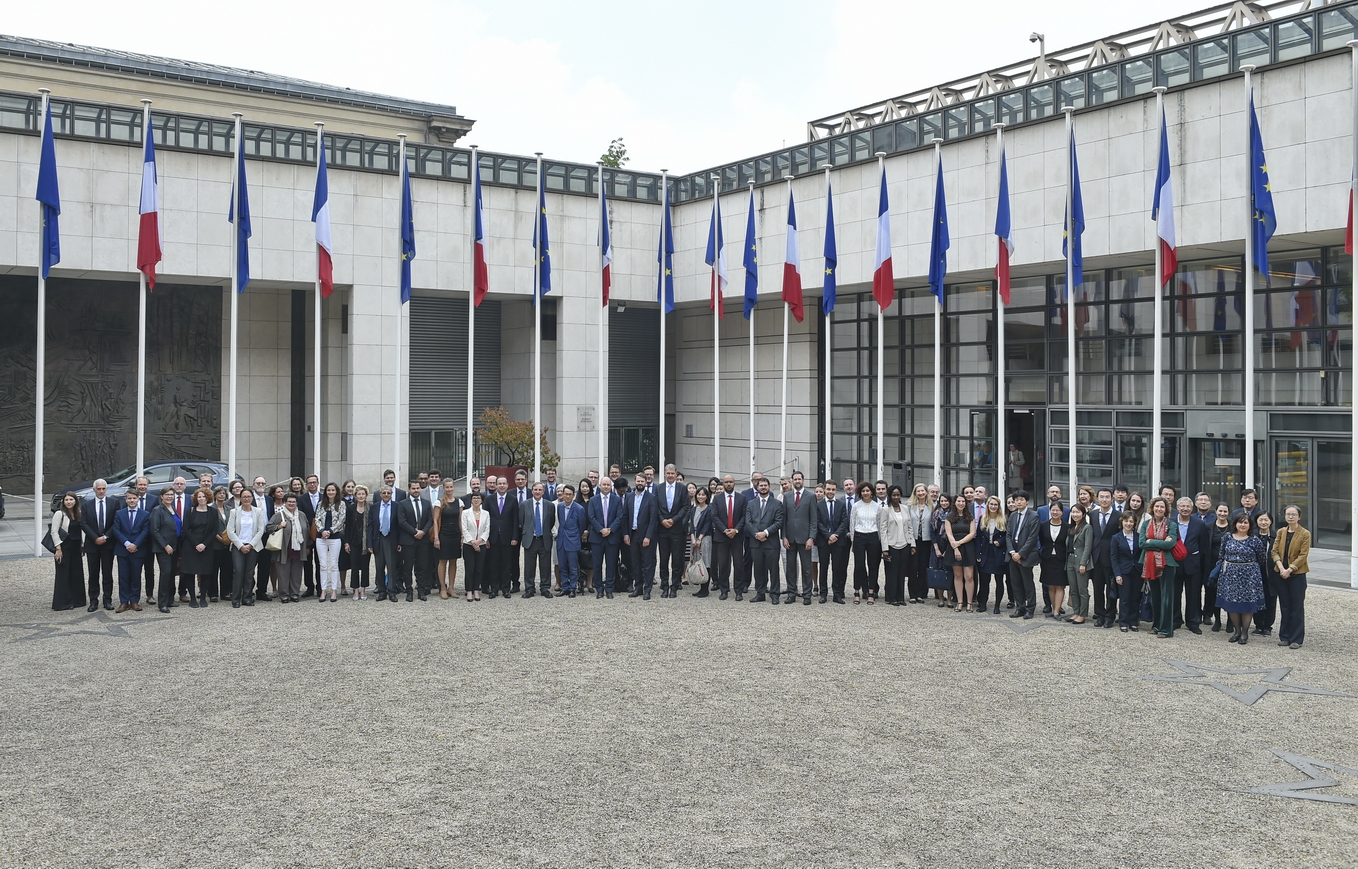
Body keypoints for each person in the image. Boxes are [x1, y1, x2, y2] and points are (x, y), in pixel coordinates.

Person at [1215, 510, 1269, 645]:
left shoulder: (1255, 540)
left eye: (1246, 522)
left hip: (1249, 577)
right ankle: (1237, 631)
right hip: (1230, 577)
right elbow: (1221, 555)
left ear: (1250, 525)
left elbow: (1262, 558)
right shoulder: (1227, 537)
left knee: (1247, 605)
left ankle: (1245, 632)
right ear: (1235, 524)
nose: (1243, 525)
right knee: (1232, 605)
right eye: (1240, 522)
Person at [1139, 497, 1180, 638]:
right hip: (1150, 563)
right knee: (1155, 596)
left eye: (1162, 507)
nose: (1159, 509)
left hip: (1167, 564)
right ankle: (1156, 626)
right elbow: (1142, 544)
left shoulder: (1172, 524)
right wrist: (1161, 542)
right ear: (1152, 508)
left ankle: (1166, 630)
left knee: (1166, 597)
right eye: (1157, 506)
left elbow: (1171, 544)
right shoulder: (1145, 524)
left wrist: (1152, 541)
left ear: (1166, 509)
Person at [1272, 505, 1310, 650]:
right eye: (1288, 514)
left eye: (1294, 514)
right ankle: (1285, 636)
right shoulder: (1281, 532)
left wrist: (1290, 569)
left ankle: (1296, 639)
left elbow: (1303, 555)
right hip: (1281, 573)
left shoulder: (1305, 533)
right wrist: (1281, 568)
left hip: (1297, 575)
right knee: (1285, 606)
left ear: (1299, 517)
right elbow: (1274, 551)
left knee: (1297, 607)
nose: (1290, 517)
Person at [1172, 497, 1210, 635]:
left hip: (1193, 564)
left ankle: (1193, 622)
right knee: (1175, 594)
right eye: (1182, 506)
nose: (1185, 509)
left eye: (1188, 507)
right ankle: (1176, 620)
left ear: (1192, 508)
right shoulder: (1171, 522)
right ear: (1177, 507)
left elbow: (1203, 545)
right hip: (1174, 564)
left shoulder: (1199, 524)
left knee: (1193, 594)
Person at [745, 475, 785, 604]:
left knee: (773, 569)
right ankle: (760, 593)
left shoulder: (777, 503)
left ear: (769, 487)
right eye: (761, 485)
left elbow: (779, 522)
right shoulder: (751, 503)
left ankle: (774, 594)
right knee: (758, 569)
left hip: (771, 542)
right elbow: (748, 521)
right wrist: (757, 534)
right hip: (756, 542)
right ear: (757, 487)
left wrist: (766, 533)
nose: (763, 487)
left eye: (765, 485)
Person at [780, 470, 818, 605]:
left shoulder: (810, 496)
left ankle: (807, 595)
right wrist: (783, 536)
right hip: (790, 538)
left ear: (803, 480)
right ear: (792, 481)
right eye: (795, 479)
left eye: (799, 479)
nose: (797, 481)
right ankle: (792, 593)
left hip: (805, 538)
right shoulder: (787, 496)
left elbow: (814, 519)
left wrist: (811, 537)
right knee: (791, 568)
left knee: (807, 568)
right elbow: (784, 519)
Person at [654, 464, 691, 599]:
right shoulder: (659, 488)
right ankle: (664, 585)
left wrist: (674, 520)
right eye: (668, 473)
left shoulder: (682, 488)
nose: (670, 475)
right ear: (664, 474)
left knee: (677, 558)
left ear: (676, 474)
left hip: (676, 529)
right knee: (663, 559)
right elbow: (655, 506)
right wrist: (662, 520)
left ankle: (675, 585)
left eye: (672, 473)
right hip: (662, 529)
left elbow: (686, 506)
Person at [179, 487, 220, 608]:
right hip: (191, 546)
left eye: (204, 497)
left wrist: (204, 544)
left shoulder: (213, 511)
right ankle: (192, 598)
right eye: (199, 497)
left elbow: (214, 530)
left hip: (207, 546)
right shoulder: (190, 511)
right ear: (196, 498)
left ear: (208, 498)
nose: (202, 499)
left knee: (206, 572)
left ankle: (203, 598)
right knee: (190, 573)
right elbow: (186, 529)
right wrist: (196, 544)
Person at [81, 479, 117, 612]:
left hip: (108, 544)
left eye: (103, 489)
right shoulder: (86, 505)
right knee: (93, 573)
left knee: (107, 573)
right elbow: (84, 523)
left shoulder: (114, 503)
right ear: (94, 490)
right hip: (92, 544)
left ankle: (107, 599)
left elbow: (115, 522)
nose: (101, 491)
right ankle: (93, 600)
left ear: (106, 489)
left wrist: (106, 537)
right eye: (98, 489)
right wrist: (95, 538)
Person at [517, 481, 557, 599]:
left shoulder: (549, 505)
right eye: (535, 490)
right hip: (531, 539)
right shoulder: (525, 504)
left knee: (545, 565)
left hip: (544, 538)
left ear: (543, 492)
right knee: (529, 566)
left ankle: (545, 587)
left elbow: (551, 522)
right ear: (532, 491)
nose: (537, 492)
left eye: (540, 490)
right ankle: (529, 588)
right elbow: (522, 521)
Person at [227, 488, 265, 607]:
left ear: (252, 498)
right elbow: (230, 531)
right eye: (244, 497)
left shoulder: (258, 512)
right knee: (238, 571)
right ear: (241, 498)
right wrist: (240, 545)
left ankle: (247, 598)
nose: (246, 499)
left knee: (249, 572)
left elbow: (260, 530)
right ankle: (236, 598)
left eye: (248, 496)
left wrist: (251, 545)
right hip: (238, 546)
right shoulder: (234, 512)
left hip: (253, 546)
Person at [266, 494, 308, 603]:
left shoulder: (302, 515)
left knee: (296, 574)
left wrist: (307, 546)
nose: (291, 504)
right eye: (289, 501)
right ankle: (284, 594)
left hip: (298, 549)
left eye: (293, 502)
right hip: (283, 549)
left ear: (297, 503)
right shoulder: (279, 515)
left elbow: (306, 530)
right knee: (283, 574)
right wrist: (279, 526)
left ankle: (294, 593)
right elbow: (269, 528)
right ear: (285, 502)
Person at [709, 475, 746, 601]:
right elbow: (714, 516)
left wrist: (735, 530)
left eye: (731, 482)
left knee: (739, 565)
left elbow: (744, 516)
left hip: (737, 536)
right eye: (726, 482)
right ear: (723, 484)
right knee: (723, 565)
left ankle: (738, 591)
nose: (728, 484)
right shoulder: (717, 499)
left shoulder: (741, 498)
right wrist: (725, 530)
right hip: (722, 536)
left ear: (734, 484)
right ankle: (724, 590)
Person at [398, 480, 435, 601]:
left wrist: (423, 532)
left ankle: (421, 590)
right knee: (408, 567)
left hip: (423, 540)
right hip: (408, 540)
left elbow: (430, 519)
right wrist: (415, 532)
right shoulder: (403, 504)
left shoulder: (426, 503)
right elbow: (402, 522)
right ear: (409, 490)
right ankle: (409, 591)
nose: (416, 491)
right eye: (413, 489)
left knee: (422, 566)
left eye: (418, 488)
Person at [1086, 489, 1119, 628]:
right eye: (1102, 497)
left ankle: (1110, 616)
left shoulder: (1118, 516)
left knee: (1111, 589)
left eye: (1107, 497)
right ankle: (1099, 615)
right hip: (1096, 557)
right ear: (1097, 499)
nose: (1104, 500)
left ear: (1112, 499)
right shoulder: (1092, 515)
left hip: (1111, 557)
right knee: (1097, 588)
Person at [1006, 489, 1040, 620]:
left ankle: (1030, 608)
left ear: (1027, 501)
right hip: (1012, 555)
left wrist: (1020, 554)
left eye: (1021, 499)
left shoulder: (1034, 516)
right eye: (1016, 500)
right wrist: (1012, 552)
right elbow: (1008, 535)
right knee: (1015, 583)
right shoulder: (1013, 515)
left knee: (1027, 583)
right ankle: (1019, 607)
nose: (1018, 502)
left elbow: (1032, 538)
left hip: (1026, 555)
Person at [587, 476, 624, 599]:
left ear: (611, 486)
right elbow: (591, 517)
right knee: (597, 564)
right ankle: (599, 589)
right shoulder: (593, 500)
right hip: (597, 538)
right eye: (604, 485)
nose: (606, 487)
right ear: (600, 486)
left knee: (611, 564)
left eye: (608, 485)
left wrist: (610, 529)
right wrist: (601, 529)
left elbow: (619, 517)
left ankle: (609, 588)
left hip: (612, 537)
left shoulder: (617, 500)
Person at [623, 474, 659, 599]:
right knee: (635, 563)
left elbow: (653, 519)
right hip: (633, 534)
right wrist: (626, 534)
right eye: (638, 481)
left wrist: (648, 537)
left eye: (642, 481)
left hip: (646, 536)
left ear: (646, 482)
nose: (640, 483)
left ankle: (647, 589)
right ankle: (638, 587)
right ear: (635, 482)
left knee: (648, 563)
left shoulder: (652, 498)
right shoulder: (629, 496)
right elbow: (625, 516)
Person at [816, 479, 851, 605]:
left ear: (836, 490)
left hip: (838, 541)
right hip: (824, 541)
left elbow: (844, 521)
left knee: (837, 568)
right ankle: (823, 594)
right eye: (828, 489)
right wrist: (828, 536)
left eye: (833, 489)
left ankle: (837, 594)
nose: (830, 492)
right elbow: (818, 522)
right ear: (824, 489)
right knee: (823, 567)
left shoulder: (841, 504)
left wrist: (835, 535)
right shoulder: (819, 505)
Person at [878, 485, 913, 607]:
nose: (896, 497)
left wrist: (912, 544)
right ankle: (892, 597)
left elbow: (909, 527)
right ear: (890, 496)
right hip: (891, 545)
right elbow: (882, 530)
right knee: (892, 572)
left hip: (904, 544)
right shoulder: (885, 510)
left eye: (898, 495)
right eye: (894, 495)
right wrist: (885, 548)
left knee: (902, 572)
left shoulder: (904, 508)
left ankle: (900, 597)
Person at [148, 488, 181, 613]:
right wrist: (165, 545)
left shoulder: (173, 509)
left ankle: (169, 599)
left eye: (171, 495)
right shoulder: (158, 510)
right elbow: (154, 530)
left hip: (175, 546)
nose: (169, 497)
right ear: (161, 496)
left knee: (172, 573)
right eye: (167, 495)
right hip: (164, 548)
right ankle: (162, 603)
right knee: (166, 573)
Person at [944, 490, 977, 612]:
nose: (961, 503)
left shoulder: (970, 517)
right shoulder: (949, 517)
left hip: (968, 547)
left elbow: (972, 533)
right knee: (958, 576)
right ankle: (959, 602)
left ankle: (969, 603)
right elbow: (949, 534)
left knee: (969, 576)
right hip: (954, 547)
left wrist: (960, 543)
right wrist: (956, 548)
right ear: (955, 502)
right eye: (959, 501)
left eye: (963, 501)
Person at [849, 481, 882, 605]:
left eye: (868, 491)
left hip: (873, 536)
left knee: (873, 565)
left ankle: (871, 592)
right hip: (859, 536)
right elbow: (852, 523)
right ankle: (857, 591)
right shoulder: (856, 506)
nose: (865, 493)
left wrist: (879, 541)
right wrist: (853, 540)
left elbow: (879, 524)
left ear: (872, 492)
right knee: (859, 565)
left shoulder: (877, 507)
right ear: (860, 493)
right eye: (863, 491)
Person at [485, 476, 518, 599]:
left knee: (506, 564)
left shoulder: (513, 499)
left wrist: (515, 537)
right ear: (496, 485)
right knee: (493, 564)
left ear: (508, 485)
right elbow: (485, 520)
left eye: (504, 483)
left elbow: (515, 519)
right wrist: (486, 538)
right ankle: (494, 589)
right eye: (500, 483)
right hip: (492, 537)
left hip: (507, 537)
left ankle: (505, 589)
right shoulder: (489, 499)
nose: (502, 486)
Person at [51, 492, 85, 611]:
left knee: (76, 573)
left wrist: (83, 546)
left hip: (76, 547)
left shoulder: (78, 514)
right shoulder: (59, 514)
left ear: (75, 501)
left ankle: (77, 600)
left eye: (71, 499)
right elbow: (54, 531)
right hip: (64, 547)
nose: (69, 502)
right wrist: (58, 549)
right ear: (63, 502)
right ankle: (63, 602)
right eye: (66, 500)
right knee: (63, 574)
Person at [1109, 511, 1142, 632]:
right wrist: (1117, 574)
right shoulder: (1116, 538)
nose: (1128, 523)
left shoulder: (1139, 536)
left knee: (1135, 597)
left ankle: (1133, 621)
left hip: (1137, 571)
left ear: (1134, 523)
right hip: (1124, 572)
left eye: (1131, 521)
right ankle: (1123, 622)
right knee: (1125, 598)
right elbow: (1114, 557)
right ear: (1122, 522)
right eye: (1126, 521)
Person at [313, 482, 346, 603]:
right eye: (328, 490)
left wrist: (330, 531)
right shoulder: (321, 504)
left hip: (335, 538)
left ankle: (333, 590)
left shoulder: (341, 504)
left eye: (333, 490)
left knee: (333, 564)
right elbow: (317, 519)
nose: (330, 492)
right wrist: (322, 531)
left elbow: (341, 520)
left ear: (336, 491)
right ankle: (323, 590)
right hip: (321, 538)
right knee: (323, 565)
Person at [975, 496, 1007, 615]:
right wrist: (978, 553)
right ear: (987, 506)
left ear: (999, 507)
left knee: (999, 580)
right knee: (984, 581)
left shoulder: (1004, 519)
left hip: (998, 552)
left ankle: (997, 605)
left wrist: (1001, 542)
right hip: (985, 552)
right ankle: (983, 604)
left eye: (995, 504)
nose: (993, 507)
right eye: (991, 504)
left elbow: (1007, 536)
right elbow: (978, 538)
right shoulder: (982, 519)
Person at [1038, 500, 1069, 620]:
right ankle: (1052, 608)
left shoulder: (1067, 526)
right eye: (1053, 510)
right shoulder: (1043, 525)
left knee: (1060, 585)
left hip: (1061, 559)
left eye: (1058, 510)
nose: (1055, 512)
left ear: (1062, 512)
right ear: (1050, 511)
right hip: (1047, 558)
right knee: (1050, 585)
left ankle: (1057, 611)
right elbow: (1041, 539)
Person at [432, 478, 462, 599]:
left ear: (453, 487)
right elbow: (435, 520)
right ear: (443, 488)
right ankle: (443, 588)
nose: (449, 489)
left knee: (454, 560)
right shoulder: (439, 502)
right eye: (447, 487)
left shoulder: (459, 502)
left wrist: (462, 535)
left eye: (451, 487)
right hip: (443, 534)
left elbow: (460, 519)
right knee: (442, 561)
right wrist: (436, 538)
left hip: (455, 534)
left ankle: (451, 587)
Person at [368, 485, 399, 602]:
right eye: (384, 493)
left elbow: (399, 526)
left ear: (391, 495)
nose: (386, 495)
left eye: (388, 493)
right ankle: (381, 591)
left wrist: (399, 542)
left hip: (391, 539)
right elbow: (370, 526)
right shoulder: (375, 507)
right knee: (379, 566)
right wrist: (370, 544)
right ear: (380, 494)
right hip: (378, 539)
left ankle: (392, 591)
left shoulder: (396, 506)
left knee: (391, 567)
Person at [1251, 511, 1279, 637]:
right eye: (1261, 520)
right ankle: (1258, 624)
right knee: (1256, 598)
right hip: (1255, 572)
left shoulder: (1276, 536)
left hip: (1271, 573)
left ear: (1271, 521)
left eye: (1266, 520)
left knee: (1270, 599)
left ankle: (1268, 625)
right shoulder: (1252, 535)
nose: (1263, 522)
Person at [555, 485, 586, 597]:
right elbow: (561, 522)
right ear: (562, 494)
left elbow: (581, 526)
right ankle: (565, 587)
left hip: (573, 541)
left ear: (573, 495)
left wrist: (576, 536)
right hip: (561, 540)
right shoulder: (559, 507)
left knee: (573, 566)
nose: (567, 496)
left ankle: (573, 587)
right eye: (565, 494)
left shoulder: (579, 509)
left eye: (570, 494)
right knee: (562, 566)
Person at [1064, 503, 1092, 624]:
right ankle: (1076, 611)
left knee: (1082, 589)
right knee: (1073, 589)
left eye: (1078, 512)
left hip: (1080, 561)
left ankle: (1082, 614)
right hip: (1070, 560)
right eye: (1073, 512)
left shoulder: (1087, 528)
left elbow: (1087, 547)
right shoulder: (1071, 527)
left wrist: (1083, 563)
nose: (1075, 515)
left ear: (1083, 514)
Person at [904, 484, 933, 603]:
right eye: (918, 491)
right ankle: (912, 594)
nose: (921, 493)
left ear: (926, 492)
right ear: (915, 493)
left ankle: (921, 593)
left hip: (926, 541)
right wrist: (910, 542)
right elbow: (907, 524)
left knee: (923, 568)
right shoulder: (909, 507)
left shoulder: (932, 507)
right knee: (912, 567)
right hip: (913, 541)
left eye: (923, 491)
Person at [343, 485, 371, 599]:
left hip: (366, 542)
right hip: (354, 541)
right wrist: (346, 542)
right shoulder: (350, 508)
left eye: (363, 494)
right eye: (358, 494)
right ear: (355, 496)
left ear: (366, 495)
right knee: (354, 566)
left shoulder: (370, 507)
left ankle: (363, 589)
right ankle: (355, 590)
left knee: (365, 567)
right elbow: (347, 527)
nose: (361, 496)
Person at [461, 491, 489, 601]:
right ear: (471, 500)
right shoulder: (465, 513)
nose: (476, 500)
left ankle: (476, 590)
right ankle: (469, 590)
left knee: (478, 568)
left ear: (482, 500)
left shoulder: (486, 513)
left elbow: (487, 529)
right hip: (468, 544)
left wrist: (479, 541)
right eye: (474, 498)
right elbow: (464, 529)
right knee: (469, 569)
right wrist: (472, 542)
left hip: (481, 544)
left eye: (478, 498)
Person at [928, 494, 953, 607]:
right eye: (942, 501)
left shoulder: (953, 515)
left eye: (946, 501)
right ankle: (941, 599)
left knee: (950, 572)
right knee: (938, 572)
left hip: (950, 545)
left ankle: (949, 599)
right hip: (937, 546)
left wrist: (948, 550)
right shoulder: (935, 514)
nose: (944, 503)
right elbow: (932, 532)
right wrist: (937, 549)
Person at [208, 486, 233, 603]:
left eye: (223, 493)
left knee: (226, 569)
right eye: (219, 493)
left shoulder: (230, 509)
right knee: (213, 570)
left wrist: (229, 539)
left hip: (228, 544)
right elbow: (209, 528)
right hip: (215, 543)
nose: (222, 495)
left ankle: (225, 592)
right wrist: (220, 538)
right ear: (215, 495)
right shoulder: (210, 509)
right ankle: (212, 593)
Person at [688, 486, 713, 598]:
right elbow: (692, 526)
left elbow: (708, 525)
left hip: (705, 538)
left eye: (703, 494)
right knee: (697, 561)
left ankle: (705, 589)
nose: (701, 497)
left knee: (706, 562)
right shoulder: (693, 509)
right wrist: (693, 538)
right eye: (699, 494)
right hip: (695, 539)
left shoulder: (709, 509)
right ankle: (700, 585)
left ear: (707, 496)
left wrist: (700, 538)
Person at [576, 479, 594, 593]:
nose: (585, 488)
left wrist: (588, 531)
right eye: (583, 486)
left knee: (591, 558)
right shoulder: (576, 502)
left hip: (592, 533)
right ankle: (580, 583)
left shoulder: (594, 500)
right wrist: (582, 533)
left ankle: (590, 583)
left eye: (587, 486)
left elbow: (595, 517)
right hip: (578, 534)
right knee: (579, 559)